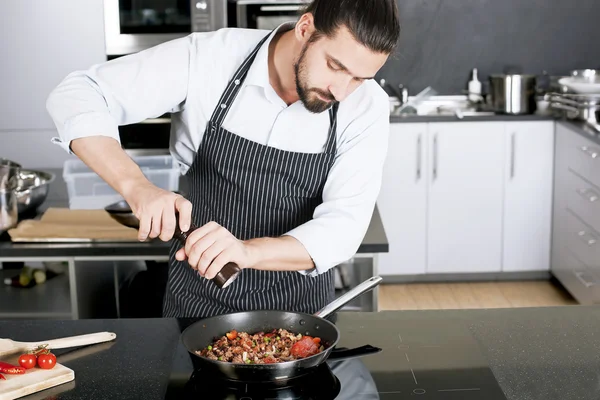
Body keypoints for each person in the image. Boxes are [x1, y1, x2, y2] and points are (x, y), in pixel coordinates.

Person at [46, 0, 401, 318]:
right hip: (195, 306)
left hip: (302, 321)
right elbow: (78, 94)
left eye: (359, 78)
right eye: (334, 66)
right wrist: (136, 186)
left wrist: (247, 252)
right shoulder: (211, 58)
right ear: (305, 28)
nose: (341, 91)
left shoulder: (366, 106)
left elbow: (344, 227)